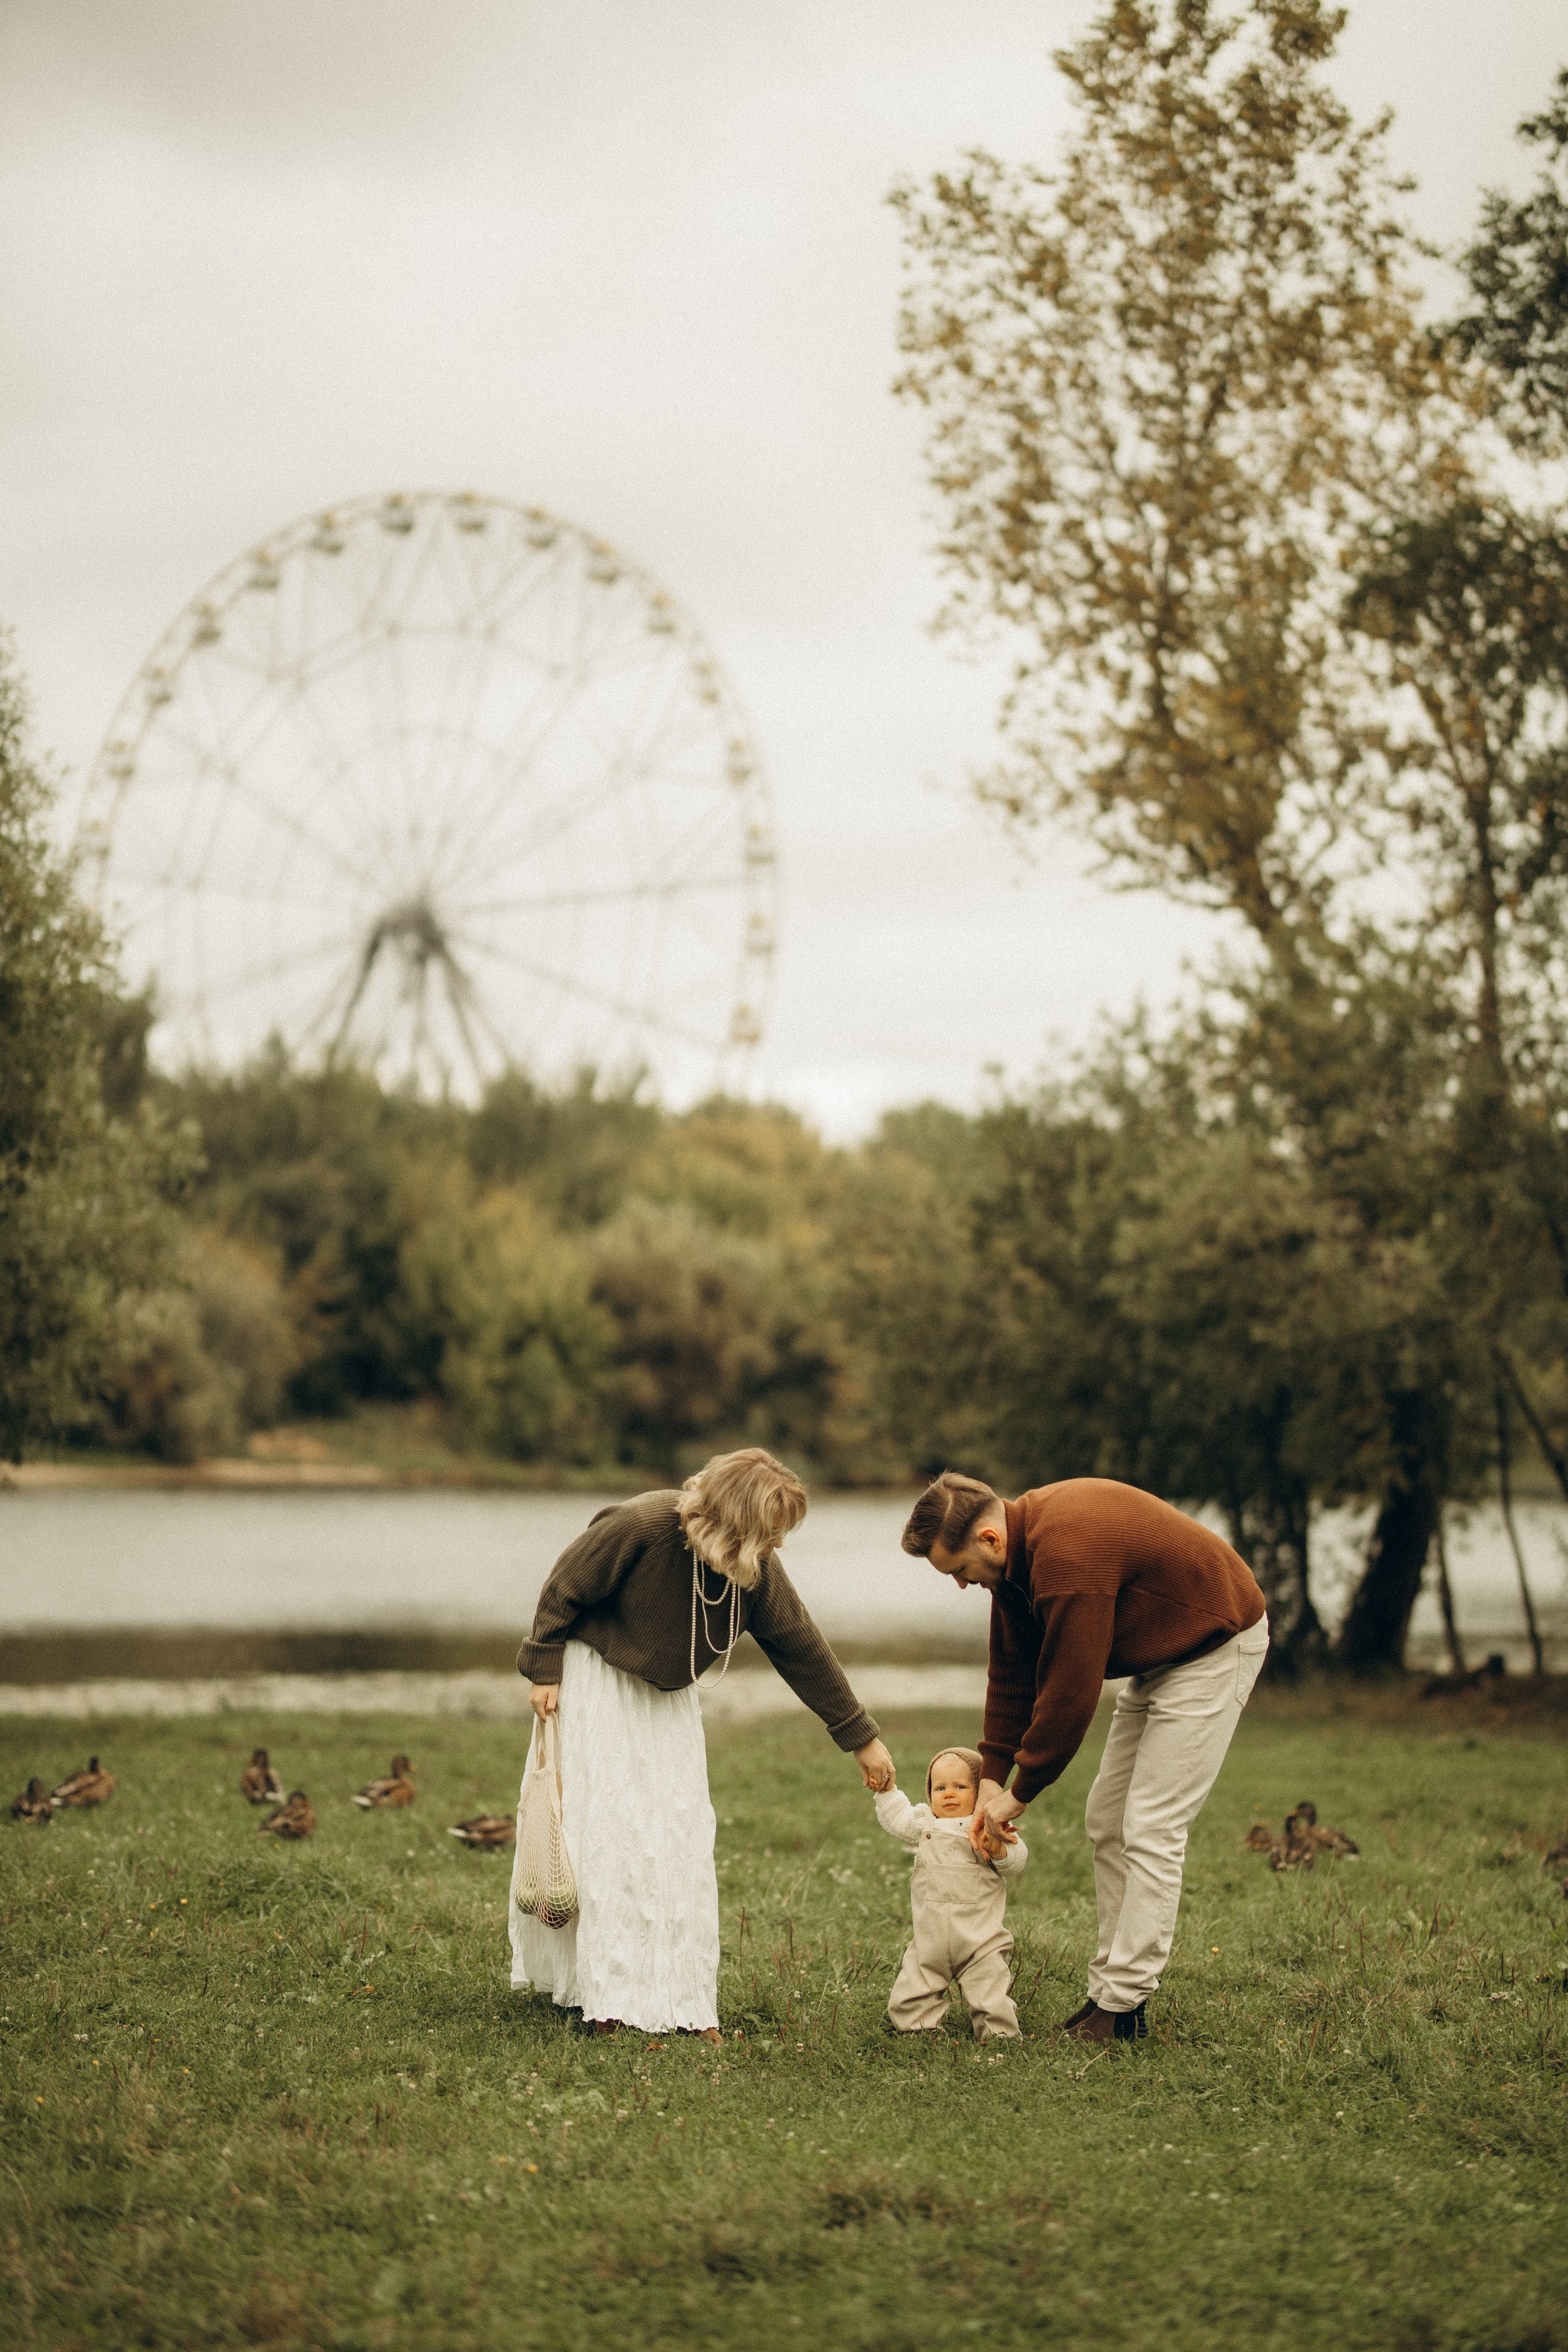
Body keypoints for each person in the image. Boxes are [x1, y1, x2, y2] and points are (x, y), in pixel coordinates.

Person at [513, 1446, 894, 2038]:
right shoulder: (641, 1524)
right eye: (769, 1531)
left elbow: (800, 1644)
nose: (777, 1546)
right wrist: (543, 1667)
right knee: (615, 1834)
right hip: (600, 1680)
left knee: (678, 1837)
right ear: (732, 1520)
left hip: (669, 1697)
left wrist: (859, 1737)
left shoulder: (754, 1567)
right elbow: (564, 1587)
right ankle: (607, 2000)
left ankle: (680, 2000)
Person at [901, 1472, 1268, 2046]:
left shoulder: (1068, 1555)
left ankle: (1123, 2008)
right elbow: (1013, 1675)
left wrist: (1018, 1795)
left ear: (992, 1539)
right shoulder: (1015, 1566)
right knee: (1107, 1819)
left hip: (1213, 1645)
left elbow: (1071, 1693)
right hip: (1159, 1656)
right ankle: (1107, 1996)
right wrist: (992, 1778)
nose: (961, 1586)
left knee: (1151, 1826)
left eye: (960, 1570)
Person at [874, 1743, 1028, 2041]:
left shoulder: (988, 1825)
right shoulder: (926, 1823)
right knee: (917, 1981)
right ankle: (916, 2028)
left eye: (960, 1786)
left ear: (981, 1791)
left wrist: (999, 1851)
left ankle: (999, 2035)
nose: (948, 1793)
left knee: (989, 1986)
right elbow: (898, 1818)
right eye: (939, 1787)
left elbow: (1017, 1860)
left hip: (979, 1936)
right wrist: (886, 1792)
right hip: (930, 1934)